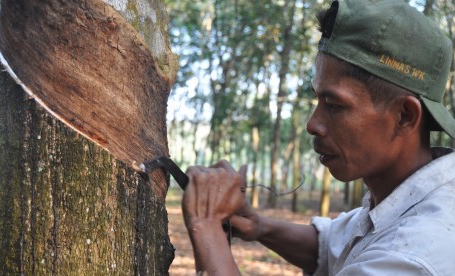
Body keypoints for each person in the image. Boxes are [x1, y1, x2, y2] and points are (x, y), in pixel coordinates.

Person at [181, 0, 455, 275]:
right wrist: (258, 226)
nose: (313, 124)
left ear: (404, 115)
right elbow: (330, 246)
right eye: (318, 100)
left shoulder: (415, 256)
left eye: (335, 105)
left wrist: (205, 223)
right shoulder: (402, 200)